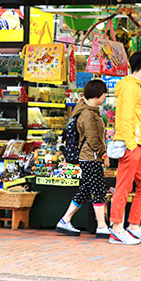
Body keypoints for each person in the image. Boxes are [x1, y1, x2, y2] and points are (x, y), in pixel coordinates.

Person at [108, 50, 141, 245]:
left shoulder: (133, 86)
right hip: (132, 144)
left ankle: (134, 227)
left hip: (138, 145)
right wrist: (130, 144)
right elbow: (126, 119)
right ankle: (116, 229)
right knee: (123, 187)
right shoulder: (130, 88)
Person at [55, 79, 110, 239]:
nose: (105, 96)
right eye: (104, 93)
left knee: (86, 190)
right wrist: (103, 154)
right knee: (98, 189)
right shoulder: (87, 114)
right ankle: (101, 226)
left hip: (89, 157)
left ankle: (65, 221)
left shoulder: (90, 112)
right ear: (99, 95)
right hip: (90, 157)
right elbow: (93, 139)